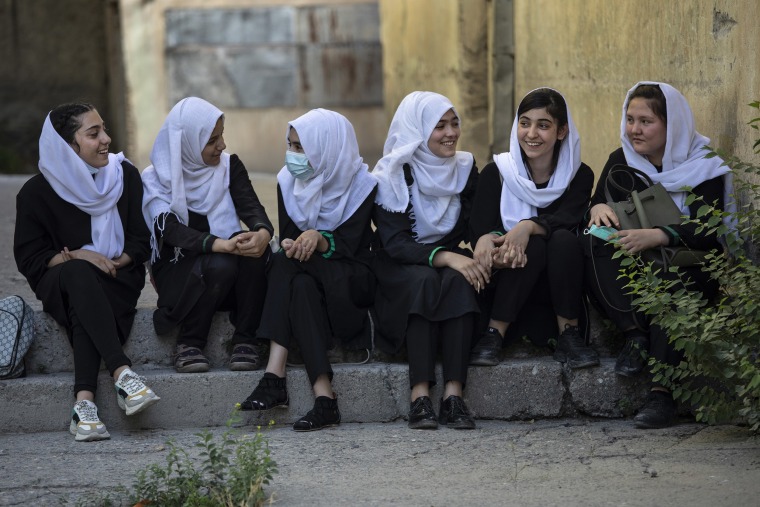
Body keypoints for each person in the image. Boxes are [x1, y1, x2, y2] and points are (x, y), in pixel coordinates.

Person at [584, 82, 732, 428]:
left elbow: (711, 233)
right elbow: (596, 203)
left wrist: (658, 235)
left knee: (673, 283)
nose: (634, 129)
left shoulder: (704, 166)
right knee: (590, 242)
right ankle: (635, 335)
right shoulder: (622, 160)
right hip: (637, 264)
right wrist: (598, 208)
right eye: (630, 119)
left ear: (672, 125)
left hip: (687, 266)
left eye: (646, 121)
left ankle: (660, 393)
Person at [14, 103, 160, 442]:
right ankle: (122, 372)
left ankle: (84, 405)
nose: (106, 139)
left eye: (104, 130)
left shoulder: (124, 176)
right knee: (79, 276)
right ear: (67, 146)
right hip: (61, 282)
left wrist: (112, 262)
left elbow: (141, 242)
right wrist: (79, 256)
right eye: (93, 134)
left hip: (118, 278)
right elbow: (31, 260)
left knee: (86, 300)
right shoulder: (35, 193)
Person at [239, 109, 377, 432]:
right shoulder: (288, 182)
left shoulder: (362, 185)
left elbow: (353, 246)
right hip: (306, 279)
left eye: (301, 148)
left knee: (285, 264)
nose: (293, 155)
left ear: (326, 149)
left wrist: (320, 239)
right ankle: (324, 398)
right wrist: (294, 244)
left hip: (350, 281)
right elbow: (288, 235)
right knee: (297, 282)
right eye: (290, 145)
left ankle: (275, 376)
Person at [371, 91, 486, 430]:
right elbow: (395, 243)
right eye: (439, 126)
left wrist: (483, 245)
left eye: (454, 123)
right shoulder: (392, 173)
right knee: (423, 281)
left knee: (459, 279)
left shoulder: (464, 168)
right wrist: (445, 256)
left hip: (446, 261)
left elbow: (474, 225)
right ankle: (419, 397)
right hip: (400, 264)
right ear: (418, 131)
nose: (451, 133)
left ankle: (453, 396)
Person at [469, 88, 599, 369]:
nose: (531, 134)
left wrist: (527, 227)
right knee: (535, 245)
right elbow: (480, 229)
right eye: (524, 123)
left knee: (563, 239)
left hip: (559, 283)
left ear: (562, 131)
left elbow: (568, 218)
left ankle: (569, 334)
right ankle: (494, 334)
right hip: (508, 278)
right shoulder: (498, 173)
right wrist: (492, 241)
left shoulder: (579, 175)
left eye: (543, 125)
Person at [142, 97, 273, 373]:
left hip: (229, 279)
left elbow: (251, 207)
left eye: (221, 136)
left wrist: (262, 232)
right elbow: (170, 230)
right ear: (186, 143)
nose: (222, 145)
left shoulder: (229, 166)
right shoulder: (156, 178)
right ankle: (189, 342)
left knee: (255, 251)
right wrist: (218, 244)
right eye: (212, 140)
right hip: (181, 279)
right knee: (221, 263)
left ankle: (245, 341)